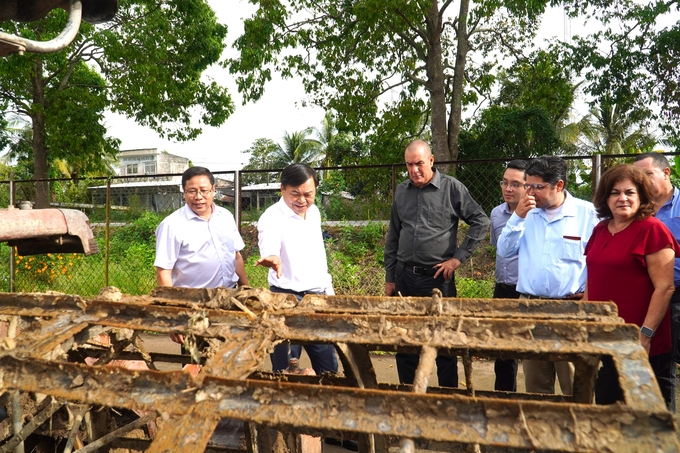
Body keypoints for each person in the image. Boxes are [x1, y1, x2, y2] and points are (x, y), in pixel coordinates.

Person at [384, 139, 490, 388]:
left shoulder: (451, 188)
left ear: (431, 160)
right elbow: (394, 236)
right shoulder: (401, 191)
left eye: (419, 163)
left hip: (437, 281)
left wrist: (457, 259)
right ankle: (408, 394)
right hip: (404, 277)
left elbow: (480, 221)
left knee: (443, 342)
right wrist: (390, 277)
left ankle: (447, 396)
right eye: (409, 165)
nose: (414, 170)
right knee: (405, 340)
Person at [497, 156, 599, 395]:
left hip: (571, 311)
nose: (531, 192)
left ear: (559, 185)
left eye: (538, 187)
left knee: (575, 385)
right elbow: (504, 251)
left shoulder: (588, 215)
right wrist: (518, 217)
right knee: (536, 387)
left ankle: (577, 431)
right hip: (530, 308)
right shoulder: (526, 213)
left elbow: (600, 261)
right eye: (528, 186)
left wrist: (591, 293)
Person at [584, 164, 679, 411]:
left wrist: (644, 335)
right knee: (609, 408)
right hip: (607, 337)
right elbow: (592, 280)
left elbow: (665, 288)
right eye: (615, 192)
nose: (622, 198)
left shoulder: (653, 229)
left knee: (650, 416)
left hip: (641, 342)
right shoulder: (600, 230)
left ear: (642, 196)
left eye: (630, 192)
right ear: (605, 198)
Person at [255, 163, 338, 376]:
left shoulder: (314, 212)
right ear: (282, 189)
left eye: (308, 194)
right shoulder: (272, 217)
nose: (302, 200)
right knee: (284, 369)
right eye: (295, 194)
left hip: (317, 299)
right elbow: (269, 244)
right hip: (285, 301)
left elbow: (319, 256)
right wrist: (272, 257)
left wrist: (329, 292)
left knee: (328, 367)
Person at [155, 166, 248, 344]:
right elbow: (163, 272)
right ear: (184, 192)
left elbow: (236, 256)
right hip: (194, 307)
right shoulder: (172, 225)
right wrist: (173, 316)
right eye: (192, 191)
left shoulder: (225, 216)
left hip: (230, 303)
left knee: (231, 363)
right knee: (196, 366)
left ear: (213, 190)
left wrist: (247, 293)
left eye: (204, 191)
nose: (198, 197)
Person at [633, 153, 680, 361]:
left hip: (676, 296)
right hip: (642, 297)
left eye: (648, 174)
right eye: (637, 176)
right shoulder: (634, 210)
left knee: (668, 359)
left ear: (666, 172)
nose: (641, 180)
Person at [490, 159, 527, 392]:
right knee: (502, 351)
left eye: (515, 184)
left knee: (535, 351)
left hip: (527, 292)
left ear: (528, 187)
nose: (508, 188)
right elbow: (499, 249)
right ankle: (503, 400)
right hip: (501, 289)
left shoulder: (538, 216)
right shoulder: (496, 213)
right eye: (505, 182)